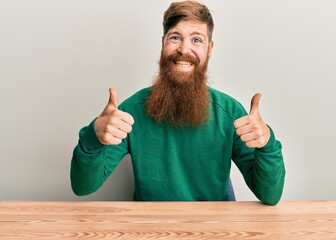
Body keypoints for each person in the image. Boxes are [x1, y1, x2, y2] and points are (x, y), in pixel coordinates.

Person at [70, 0, 285, 205]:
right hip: (152, 228)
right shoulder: (132, 111)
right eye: (175, 38)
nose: (184, 49)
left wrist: (267, 144)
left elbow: (270, 195)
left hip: (214, 228)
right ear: (162, 42)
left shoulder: (230, 113)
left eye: (196, 40)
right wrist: (94, 136)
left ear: (210, 48)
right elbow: (82, 186)